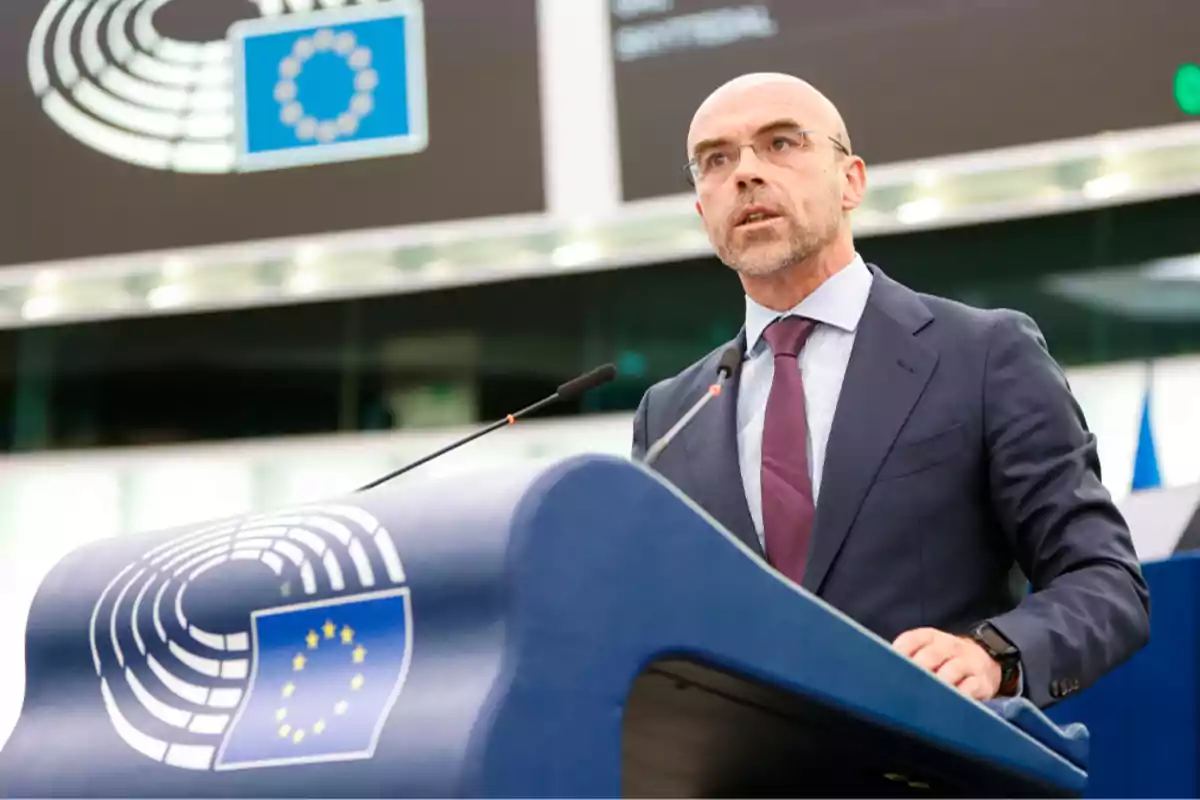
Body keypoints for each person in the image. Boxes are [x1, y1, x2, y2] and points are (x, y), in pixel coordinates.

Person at [631, 73, 1150, 707]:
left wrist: (995, 654)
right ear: (701, 206)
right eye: (717, 159)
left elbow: (1104, 581)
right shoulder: (671, 414)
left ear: (850, 181)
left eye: (781, 143)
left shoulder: (984, 354)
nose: (745, 173)